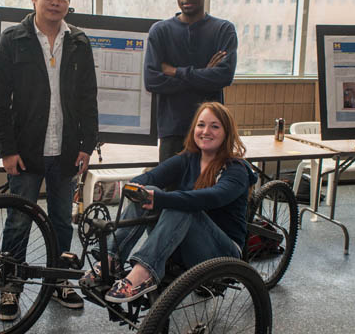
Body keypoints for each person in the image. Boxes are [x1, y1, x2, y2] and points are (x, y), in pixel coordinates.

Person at [0, 0, 98, 319]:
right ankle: (11, 287)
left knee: (61, 221)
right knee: (19, 220)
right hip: (25, 151)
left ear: (69, 1)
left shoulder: (79, 42)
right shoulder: (12, 40)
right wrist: (6, 150)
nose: (55, 2)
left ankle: (58, 281)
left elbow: (88, 98)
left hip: (66, 150)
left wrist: (87, 144)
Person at [81, 102, 257, 303]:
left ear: (227, 133)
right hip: (185, 244)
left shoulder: (236, 169)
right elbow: (151, 177)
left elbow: (214, 197)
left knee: (182, 205)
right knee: (151, 192)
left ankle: (144, 272)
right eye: (201, 125)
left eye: (215, 126)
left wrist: (160, 199)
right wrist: (138, 189)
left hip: (223, 253)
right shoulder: (188, 159)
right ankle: (112, 260)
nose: (206, 131)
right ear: (194, 129)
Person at [144, 0, 237, 163]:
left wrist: (176, 72)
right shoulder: (160, 31)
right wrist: (204, 75)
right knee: (170, 191)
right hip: (172, 131)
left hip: (210, 131)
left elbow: (224, 76)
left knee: (208, 190)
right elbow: (152, 80)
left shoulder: (223, 29)